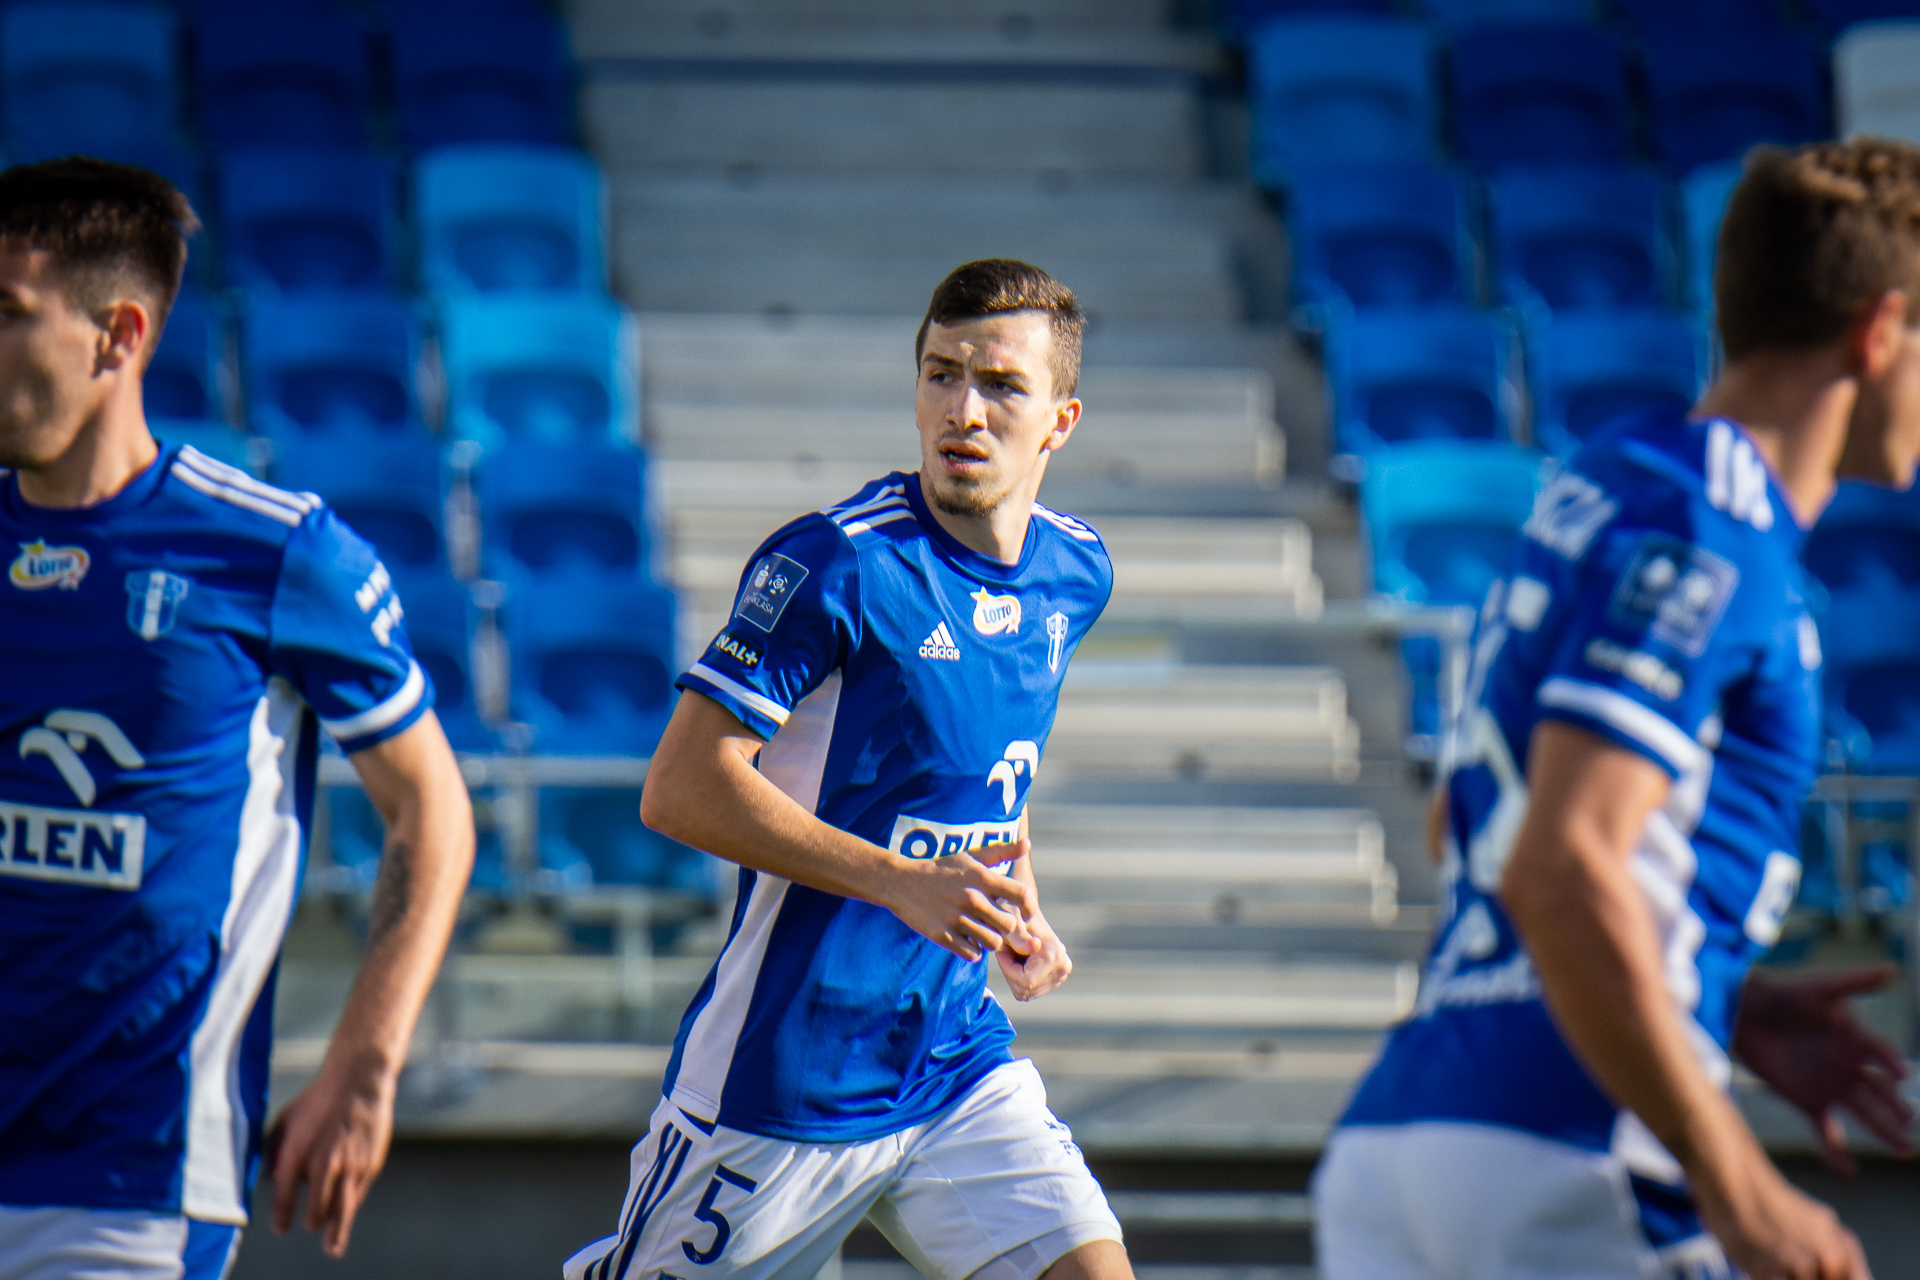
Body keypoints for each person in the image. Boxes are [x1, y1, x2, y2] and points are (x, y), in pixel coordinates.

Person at [1313, 137, 1920, 1280]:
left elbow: (1468, 827)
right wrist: (1740, 1177)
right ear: (1879, 331)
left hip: (1411, 1133)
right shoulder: (1712, 527)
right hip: (1569, 1151)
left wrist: (1718, 1000)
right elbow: (1561, 864)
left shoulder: (1608, 480)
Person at [565, 259, 1130, 1280]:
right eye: (941, 373)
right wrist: (899, 880)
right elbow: (680, 787)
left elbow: (992, 768)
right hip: (784, 1077)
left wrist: (1017, 901)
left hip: (952, 1060)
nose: (964, 410)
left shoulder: (1075, 570)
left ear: (1061, 421)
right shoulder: (836, 563)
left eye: (1002, 385)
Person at [0, 158, 474, 1278]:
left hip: (134, 1178)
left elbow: (433, 812)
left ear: (117, 335)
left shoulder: (273, 554)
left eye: (5, 313)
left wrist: (365, 1059)